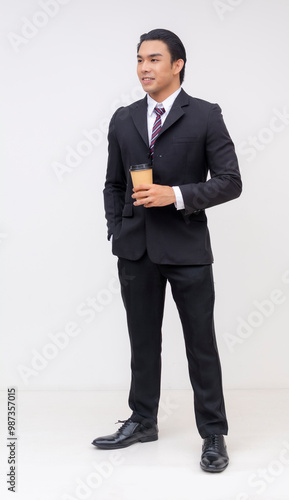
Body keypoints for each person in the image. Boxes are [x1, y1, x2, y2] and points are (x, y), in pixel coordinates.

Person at [92, 28, 242, 473]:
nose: (144, 68)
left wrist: (174, 195)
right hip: (135, 251)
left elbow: (230, 181)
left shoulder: (206, 116)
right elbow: (113, 184)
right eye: (139, 59)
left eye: (154, 59)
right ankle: (142, 420)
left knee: (201, 344)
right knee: (142, 341)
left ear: (177, 65)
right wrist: (116, 231)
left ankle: (213, 433)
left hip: (188, 248)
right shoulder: (123, 118)